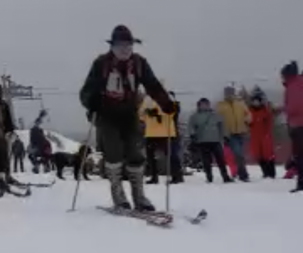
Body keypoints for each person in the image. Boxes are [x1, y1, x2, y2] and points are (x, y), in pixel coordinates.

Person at [79, 25, 174, 211]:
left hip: (129, 114)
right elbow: (86, 91)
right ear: (112, 46)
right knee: (113, 153)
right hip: (106, 115)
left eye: (128, 45)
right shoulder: (101, 64)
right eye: (120, 45)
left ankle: (139, 196)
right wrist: (92, 102)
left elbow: (152, 85)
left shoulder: (139, 64)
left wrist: (166, 103)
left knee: (136, 153)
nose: (124, 49)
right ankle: (118, 194)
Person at [188, 98, 232, 183]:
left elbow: (222, 126)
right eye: (202, 104)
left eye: (206, 104)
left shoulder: (215, 115)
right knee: (206, 161)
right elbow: (191, 126)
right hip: (203, 141)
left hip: (215, 141)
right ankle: (209, 177)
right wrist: (192, 135)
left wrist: (225, 136)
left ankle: (225, 176)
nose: (204, 106)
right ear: (199, 106)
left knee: (221, 160)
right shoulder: (194, 117)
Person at [141, 92, 182, 183]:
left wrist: (157, 112)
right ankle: (154, 177)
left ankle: (176, 176)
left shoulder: (167, 99)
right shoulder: (147, 101)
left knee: (171, 156)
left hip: (166, 132)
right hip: (151, 132)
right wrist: (146, 113)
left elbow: (172, 112)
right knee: (150, 156)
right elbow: (141, 116)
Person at [215, 86, 251, 181]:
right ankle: (243, 174)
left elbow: (248, 114)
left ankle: (239, 171)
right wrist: (222, 134)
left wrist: (247, 120)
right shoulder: (220, 106)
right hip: (229, 134)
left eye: (231, 93)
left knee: (239, 154)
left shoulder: (240, 104)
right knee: (238, 153)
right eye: (227, 93)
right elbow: (218, 120)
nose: (229, 95)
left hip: (241, 131)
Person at [280, 61, 303, 193]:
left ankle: (302, 183)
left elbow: (296, 106)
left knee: (300, 156)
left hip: (299, 126)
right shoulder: (298, 83)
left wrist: (285, 109)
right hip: (298, 125)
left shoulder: (294, 85)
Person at [247, 88, 276, 179]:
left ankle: (271, 172)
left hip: (264, 135)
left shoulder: (265, 111)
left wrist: (267, 133)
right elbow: (248, 123)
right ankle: (265, 172)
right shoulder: (250, 111)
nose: (255, 103)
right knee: (258, 155)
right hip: (255, 137)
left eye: (257, 101)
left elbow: (269, 122)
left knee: (268, 154)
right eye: (254, 101)